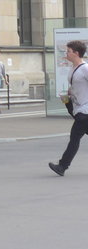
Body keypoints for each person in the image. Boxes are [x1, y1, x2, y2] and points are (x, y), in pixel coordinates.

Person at [50, 40, 88, 176]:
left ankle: (62, 166)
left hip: (85, 111)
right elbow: (78, 87)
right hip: (79, 109)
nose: (66, 53)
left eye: (69, 51)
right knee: (75, 138)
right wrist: (69, 94)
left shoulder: (85, 68)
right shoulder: (73, 69)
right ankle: (62, 166)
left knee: (74, 137)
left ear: (76, 53)